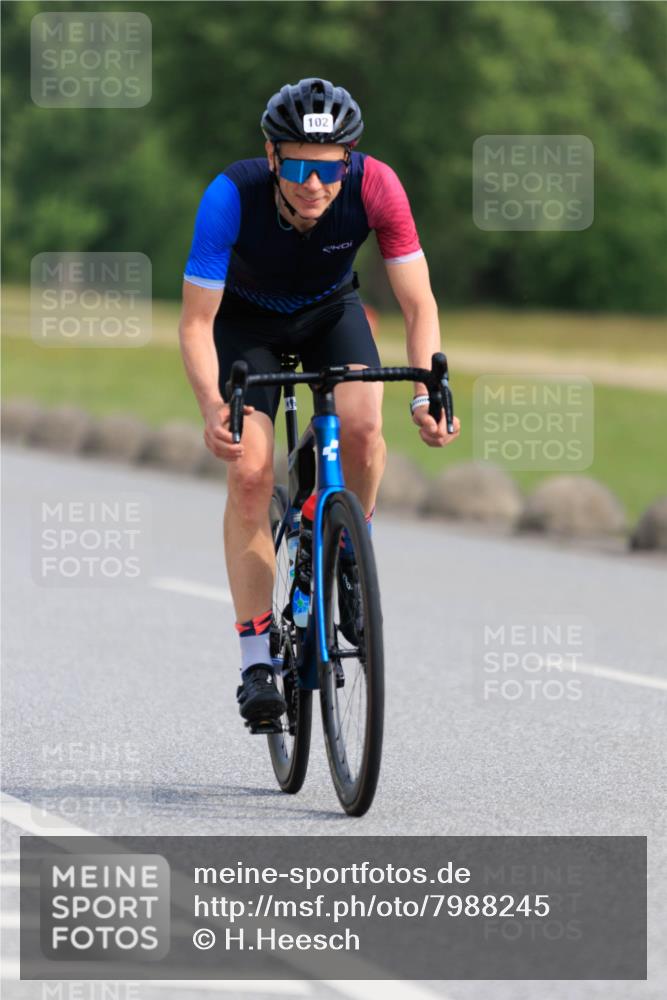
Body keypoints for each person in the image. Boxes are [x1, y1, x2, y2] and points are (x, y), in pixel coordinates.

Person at [179, 77, 460, 729]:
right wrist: (210, 407)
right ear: (273, 157)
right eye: (299, 166)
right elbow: (195, 324)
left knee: (362, 430)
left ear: (349, 161)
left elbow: (419, 304)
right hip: (245, 326)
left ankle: (343, 549)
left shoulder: (376, 186)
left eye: (329, 169)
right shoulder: (230, 196)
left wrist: (426, 393)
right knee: (250, 472)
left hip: (332, 313)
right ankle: (255, 662)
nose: (314, 185)